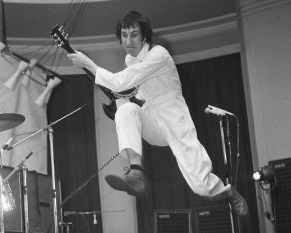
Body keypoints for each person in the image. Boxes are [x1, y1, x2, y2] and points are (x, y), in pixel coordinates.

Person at [67, 10, 248, 216]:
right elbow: (128, 92)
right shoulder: (130, 60)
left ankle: (229, 192)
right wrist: (119, 108)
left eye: (134, 35)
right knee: (125, 110)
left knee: (200, 185)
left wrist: (88, 63)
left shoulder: (159, 54)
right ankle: (136, 174)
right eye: (124, 35)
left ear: (144, 35)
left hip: (174, 117)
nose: (128, 41)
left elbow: (120, 82)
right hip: (151, 117)